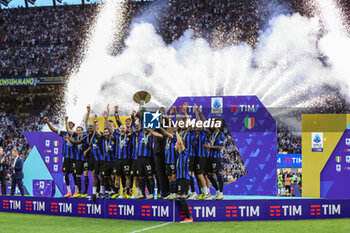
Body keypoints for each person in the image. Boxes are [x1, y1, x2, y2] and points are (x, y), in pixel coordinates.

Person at [44, 116, 77, 198]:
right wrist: (48, 122)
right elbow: (53, 130)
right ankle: (69, 192)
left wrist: (66, 120)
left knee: (74, 174)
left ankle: (76, 191)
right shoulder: (63, 133)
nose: (69, 125)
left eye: (71, 124)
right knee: (66, 173)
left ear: (73, 126)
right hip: (65, 157)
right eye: (68, 124)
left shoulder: (75, 134)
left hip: (73, 157)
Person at [174, 130, 193, 223]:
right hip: (181, 179)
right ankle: (188, 217)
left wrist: (176, 132)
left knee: (181, 196)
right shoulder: (179, 156)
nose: (175, 146)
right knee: (181, 196)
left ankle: (188, 217)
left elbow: (181, 142)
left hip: (184, 178)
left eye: (176, 144)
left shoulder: (185, 153)